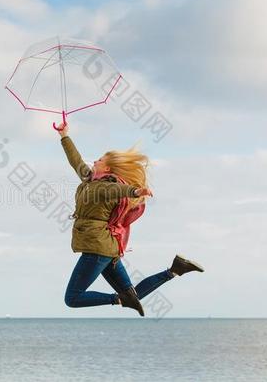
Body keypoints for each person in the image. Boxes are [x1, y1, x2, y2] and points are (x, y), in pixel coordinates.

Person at [57, 122, 204, 316]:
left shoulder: (105, 186)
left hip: (96, 248)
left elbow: (119, 190)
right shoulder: (91, 179)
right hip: (107, 248)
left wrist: (135, 191)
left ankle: (118, 299)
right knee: (132, 295)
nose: (94, 161)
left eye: (99, 160)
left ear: (107, 167)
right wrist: (64, 135)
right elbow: (76, 161)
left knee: (73, 298)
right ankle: (176, 269)